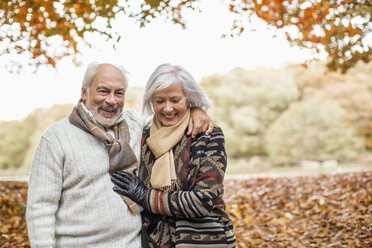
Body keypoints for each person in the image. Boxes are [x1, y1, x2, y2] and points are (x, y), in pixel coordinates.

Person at [26, 62, 213, 247]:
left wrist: (196, 110)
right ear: (84, 92)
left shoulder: (134, 124)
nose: (111, 100)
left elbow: (169, 117)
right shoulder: (55, 139)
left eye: (119, 93)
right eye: (103, 91)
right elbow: (40, 208)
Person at [111, 63, 236, 248]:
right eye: (160, 101)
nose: (167, 109)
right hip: (156, 241)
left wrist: (144, 196)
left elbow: (203, 200)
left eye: (175, 100)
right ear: (151, 101)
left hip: (204, 240)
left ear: (189, 98)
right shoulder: (144, 135)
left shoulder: (208, 135)